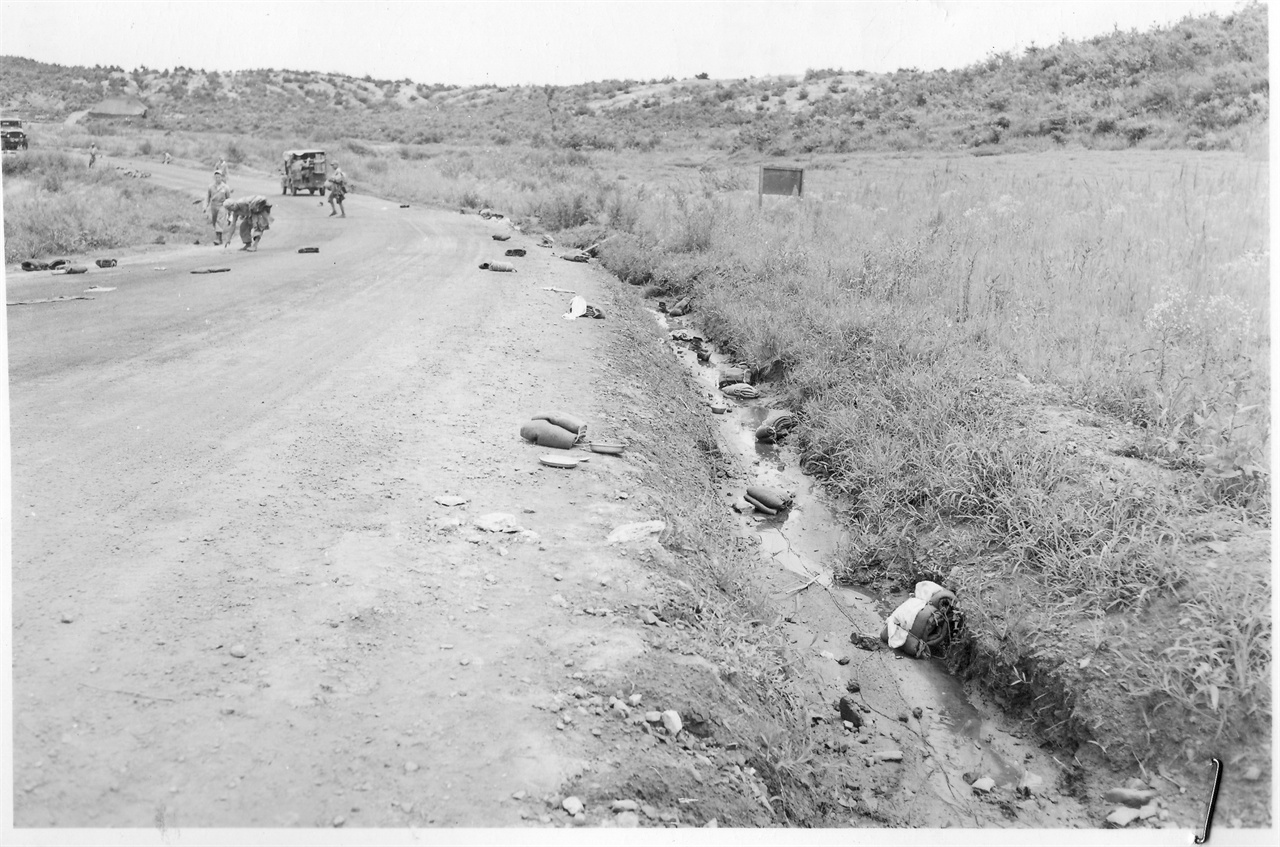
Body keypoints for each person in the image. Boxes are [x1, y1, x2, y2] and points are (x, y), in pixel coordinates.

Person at [203, 172, 233, 246]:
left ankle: (217, 238)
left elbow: (229, 199)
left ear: (221, 178)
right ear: (214, 178)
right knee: (214, 221)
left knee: (219, 220)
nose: (217, 179)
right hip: (213, 205)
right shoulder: (211, 187)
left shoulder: (225, 187)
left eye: (219, 177)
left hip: (222, 205)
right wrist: (205, 206)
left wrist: (230, 212)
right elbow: (207, 197)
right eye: (216, 177)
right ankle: (219, 238)